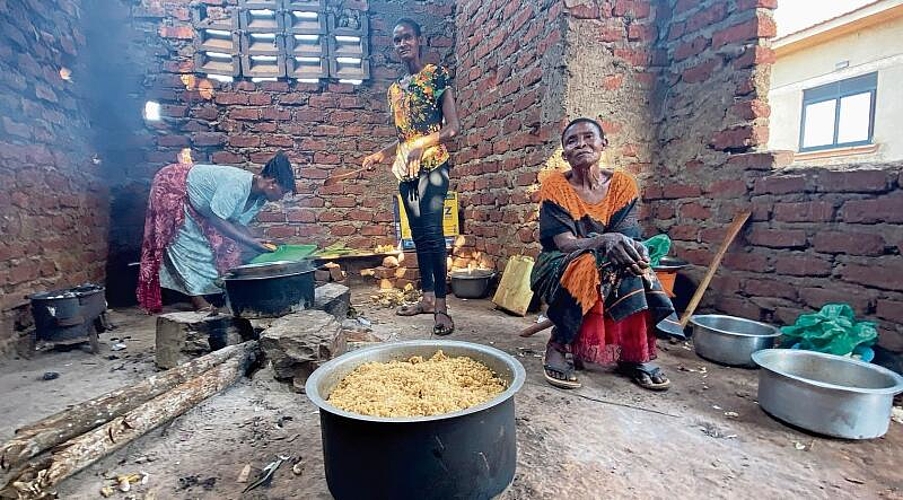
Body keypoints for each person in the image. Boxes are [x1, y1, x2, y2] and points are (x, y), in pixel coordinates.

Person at [530, 118, 683, 391]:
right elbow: (564, 243)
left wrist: (633, 251)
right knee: (589, 262)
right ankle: (560, 342)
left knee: (634, 264)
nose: (581, 145)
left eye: (589, 137)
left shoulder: (622, 185)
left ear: (604, 144)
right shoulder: (555, 185)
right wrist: (604, 239)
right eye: (572, 141)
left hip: (609, 261)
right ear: (565, 154)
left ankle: (635, 353)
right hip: (558, 265)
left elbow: (627, 237)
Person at [362, 18, 461, 336]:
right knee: (418, 236)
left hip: (433, 167)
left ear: (419, 40)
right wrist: (381, 153)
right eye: (396, 40)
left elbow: (453, 129)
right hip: (406, 170)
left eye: (407, 37)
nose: (402, 43)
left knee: (433, 235)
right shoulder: (394, 91)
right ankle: (427, 298)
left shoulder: (436, 76)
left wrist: (422, 144)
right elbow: (404, 137)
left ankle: (443, 309)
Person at [137, 152, 295, 313]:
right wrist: (250, 242)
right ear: (272, 183)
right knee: (188, 248)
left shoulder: (259, 199)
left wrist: (256, 240)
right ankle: (199, 302)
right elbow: (218, 220)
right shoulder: (237, 184)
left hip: (202, 206)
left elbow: (235, 222)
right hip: (174, 186)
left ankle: (212, 295)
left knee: (218, 248)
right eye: (282, 193)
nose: (281, 198)